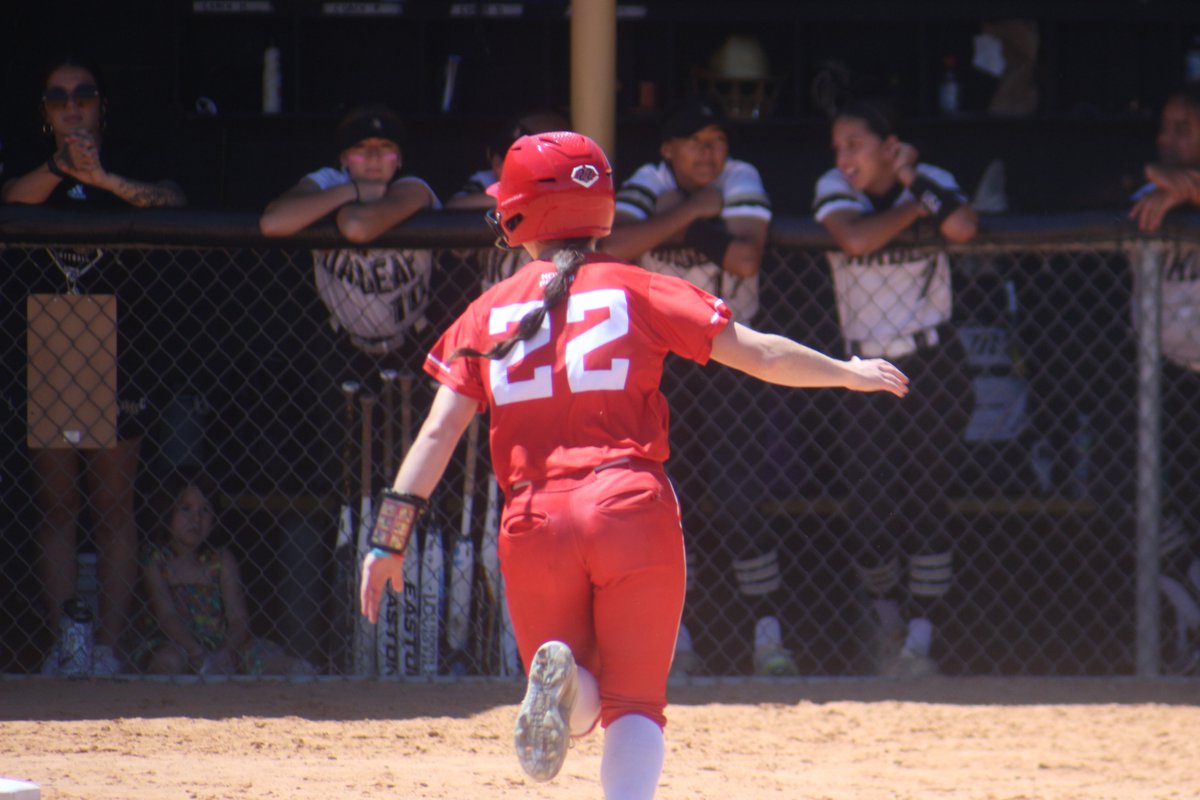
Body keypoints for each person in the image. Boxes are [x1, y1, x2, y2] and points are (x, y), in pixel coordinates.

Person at [358, 131, 909, 797]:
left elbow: (438, 433)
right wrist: (847, 373)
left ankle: (563, 686)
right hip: (630, 510)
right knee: (637, 706)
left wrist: (389, 538)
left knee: (580, 697)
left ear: (517, 215)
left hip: (534, 521)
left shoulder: (485, 313)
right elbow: (760, 354)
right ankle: (572, 694)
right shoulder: (639, 288)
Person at [1, 56, 187, 676]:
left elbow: (171, 200)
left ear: (102, 103)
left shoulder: (130, 153)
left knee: (114, 503)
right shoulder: (34, 165)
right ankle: (68, 642)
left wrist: (102, 177)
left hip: (121, 338)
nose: (72, 105)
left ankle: (105, 645)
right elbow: (8, 201)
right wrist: (61, 168)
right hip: (51, 336)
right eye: (58, 98)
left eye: (83, 95)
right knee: (57, 504)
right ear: (44, 111)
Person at [601, 97, 794, 676]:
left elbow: (743, 259)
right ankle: (672, 643)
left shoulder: (741, 176)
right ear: (668, 149)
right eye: (694, 140)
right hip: (660, 366)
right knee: (663, 502)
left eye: (717, 139)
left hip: (730, 359)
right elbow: (611, 249)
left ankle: (769, 639)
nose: (709, 152)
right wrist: (701, 214)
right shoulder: (647, 179)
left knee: (739, 503)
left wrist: (678, 219)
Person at [812, 96, 978, 677]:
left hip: (932, 362)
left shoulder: (931, 180)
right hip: (864, 370)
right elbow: (855, 238)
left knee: (927, 501)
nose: (843, 157)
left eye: (855, 145)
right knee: (871, 506)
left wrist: (912, 176)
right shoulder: (835, 185)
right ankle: (887, 626)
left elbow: (961, 224)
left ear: (888, 145)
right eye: (838, 147)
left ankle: (920, 641)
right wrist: (915, 205)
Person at [259, 104, 442, 374]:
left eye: (385, 146)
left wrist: (339, 206)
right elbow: (271, 222)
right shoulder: (331, 180)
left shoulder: (413, 186)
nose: (374, 156)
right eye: (361, 147)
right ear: (344, 158)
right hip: (341, 344)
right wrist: (354, 190)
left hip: (416, 341)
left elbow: (358, 228)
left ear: (399, 159)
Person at [1128, 82, 1200, 675]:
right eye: (1166, 125)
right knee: (1152, 499)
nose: (1169, 137)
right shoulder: (1150, 192)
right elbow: (1133, 186)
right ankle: (1192, 619)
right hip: (1170, 377)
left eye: (1185, 126)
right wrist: (1170, 187)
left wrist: (1190, 192)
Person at [131, 468, 316, 676]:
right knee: (167, 661)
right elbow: (166, 614)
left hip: (221, 645)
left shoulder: (220, 560)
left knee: (262, 658)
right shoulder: (153, 558)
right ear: (166, 510)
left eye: (205, 510)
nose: (196, 519)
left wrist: (224, 654)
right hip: (174, 642)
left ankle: (303, 674)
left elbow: (238, 618)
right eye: (185, 509)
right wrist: (196, 652)